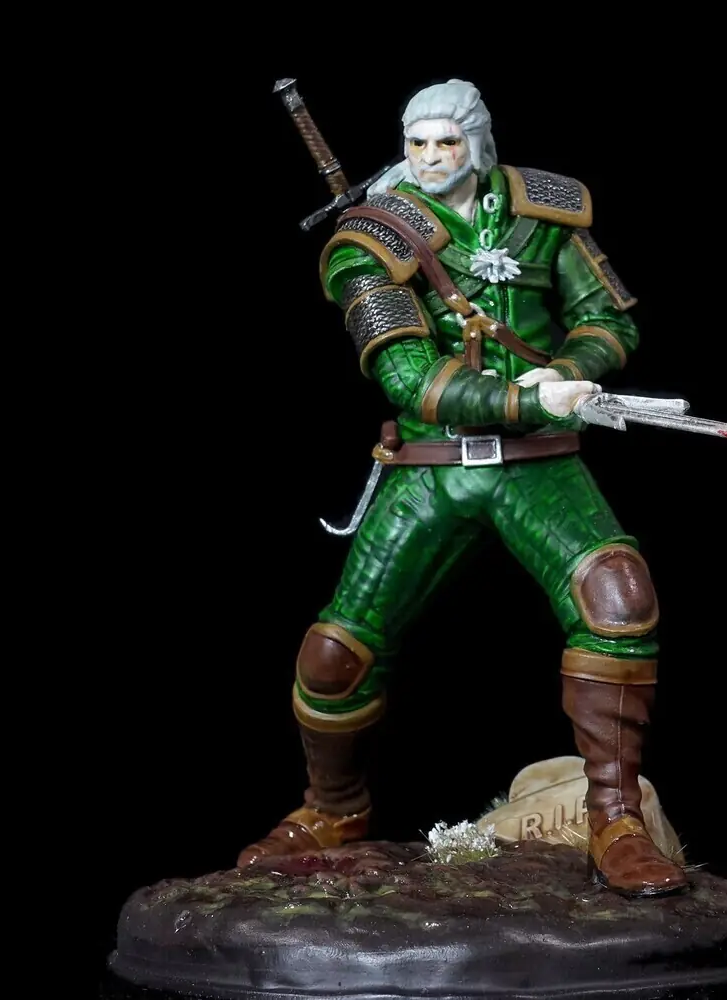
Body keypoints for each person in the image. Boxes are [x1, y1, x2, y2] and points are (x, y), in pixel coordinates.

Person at [238, 79, 687, 897]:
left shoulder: (543, 210)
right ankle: (331, 809)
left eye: (446, 142)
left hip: (538, 466)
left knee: (619, 598)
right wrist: (530, 400)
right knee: (335, 656)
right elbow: (411, 379)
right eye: (416, 144)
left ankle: (616, 818)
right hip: (433, 470)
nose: (431, 158)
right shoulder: (368, 241)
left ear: (476, 142)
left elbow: (608, 319)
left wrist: (571, 369)